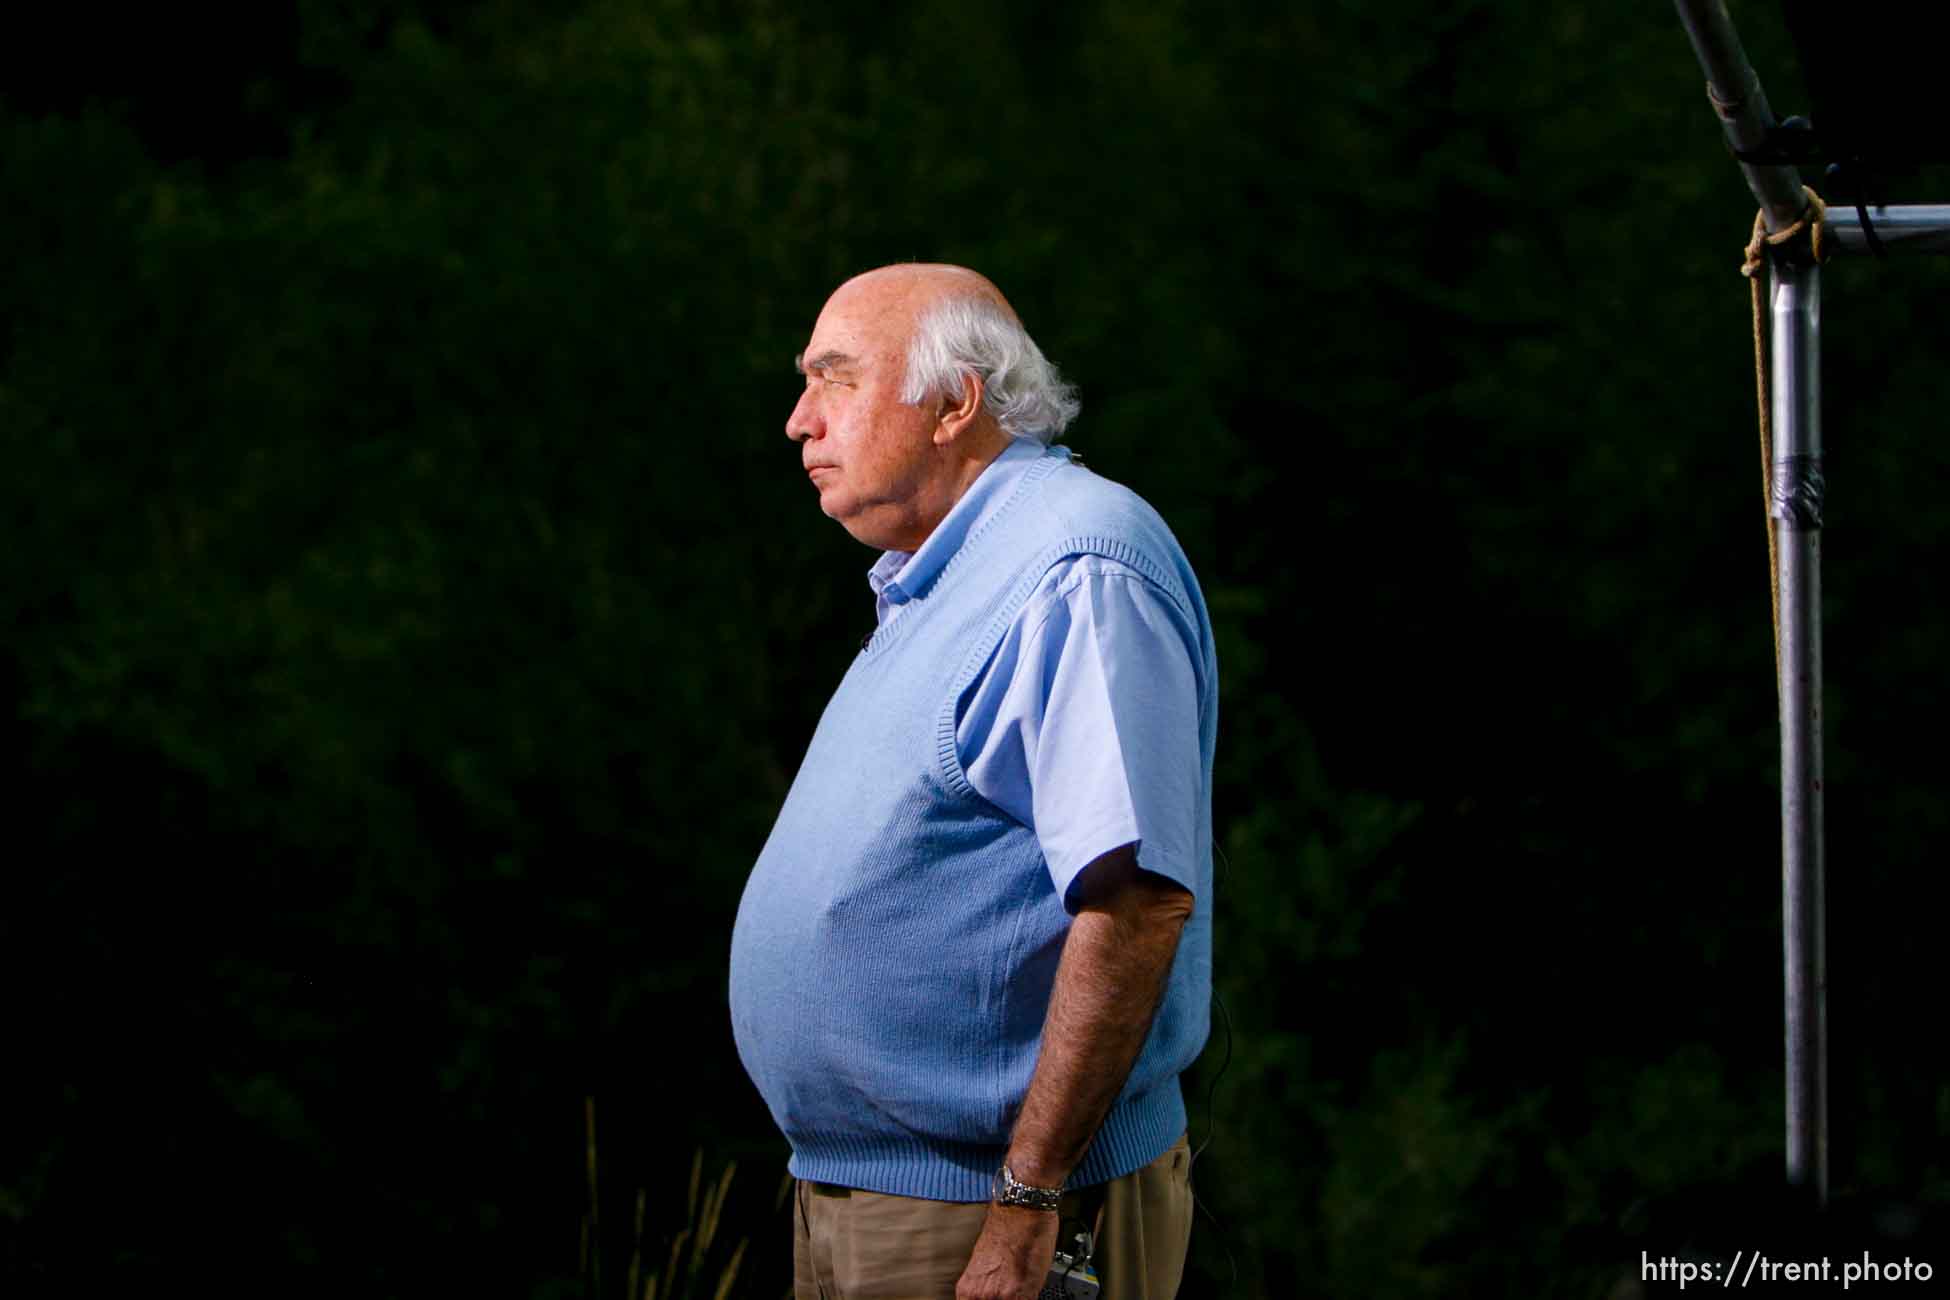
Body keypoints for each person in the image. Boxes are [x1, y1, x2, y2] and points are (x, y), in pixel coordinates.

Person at [729, 264, 1218, 1300]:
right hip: (888, 1199)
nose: (796, 420)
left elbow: (1136, 902)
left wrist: (1027, 1200)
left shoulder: (1076, 567)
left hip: (993, 1215)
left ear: (956, 402)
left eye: (836, 379)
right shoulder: (947, 575)